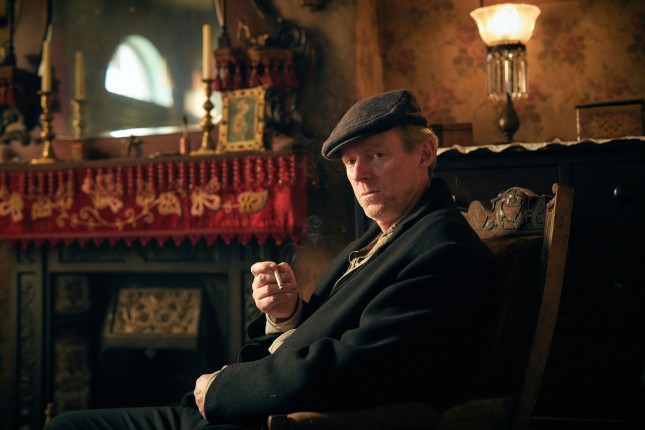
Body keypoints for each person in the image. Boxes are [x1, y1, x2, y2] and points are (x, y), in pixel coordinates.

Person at [46, 89, 495, 429]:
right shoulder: (387, 236)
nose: (359, 174)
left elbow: (357, 368)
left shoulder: (442, 250)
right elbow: (332, 332)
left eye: (376, 155)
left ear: (424, 153)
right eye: (350, 162)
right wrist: (286, 315)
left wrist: (225, 388)